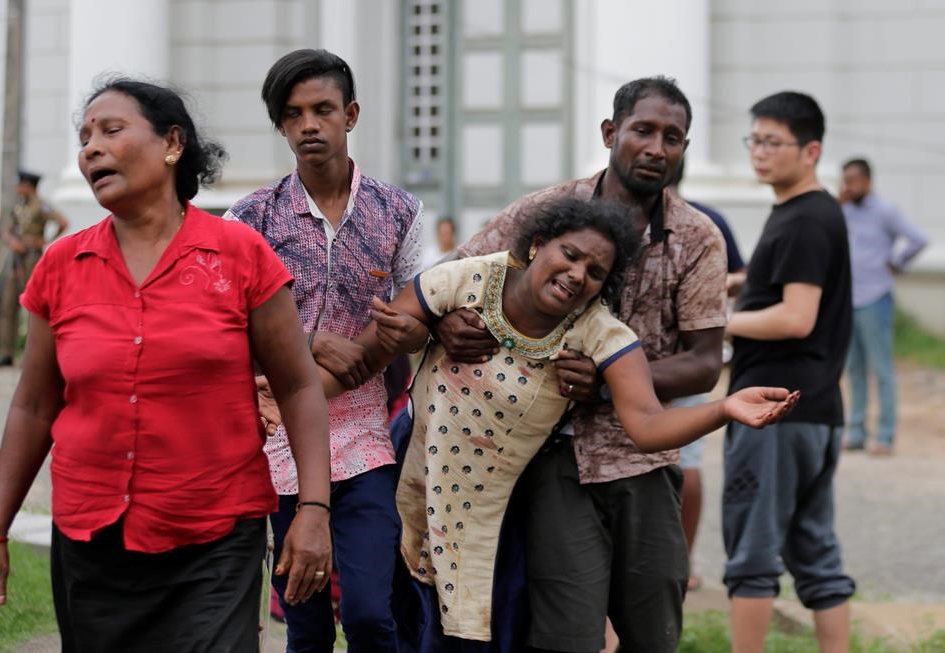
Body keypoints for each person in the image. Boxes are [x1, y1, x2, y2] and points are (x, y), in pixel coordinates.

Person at [261, 197, 797, 650]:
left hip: (490, 526)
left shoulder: (598, 333)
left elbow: (648, 425)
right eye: (570, 254)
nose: (577, 275)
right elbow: (365, 360)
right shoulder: (466, 280)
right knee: (381, 621)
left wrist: (725, 409)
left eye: (596, 272)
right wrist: (276, 397)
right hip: (412, 492)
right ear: (538, 244)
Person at [0, 79, 333, 652]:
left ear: (172, 144)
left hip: (214, 537)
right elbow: (34, 406)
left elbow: (298, 385)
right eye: (84, 137)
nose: (90, 148)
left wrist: (313, 507)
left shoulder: (239, 255)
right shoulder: (61, 265)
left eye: (111, 131)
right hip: (91, 543)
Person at [435, 76, 729, 653]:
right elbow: (456, 271)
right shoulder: (550, 211)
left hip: (643, 459)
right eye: (643, 130)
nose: (656, 148)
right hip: (549, 456)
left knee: (654, 632)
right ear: (610, 132)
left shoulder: (698, 238)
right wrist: (447, 321)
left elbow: (702, 363)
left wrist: (610, 385)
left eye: (673, 137)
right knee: (565, 635)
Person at [225, 49, 425, 652]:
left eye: (323, 109)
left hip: (368, 440)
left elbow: (419, 314)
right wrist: (306, 342)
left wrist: (384, 340)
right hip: (279, 441)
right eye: (293, 114)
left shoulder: (399, 211)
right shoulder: (251, 218)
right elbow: (225, 321)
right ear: (281, 126)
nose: (309, 124)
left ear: (351, 114)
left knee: (370, 612)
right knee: (305, 623)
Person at [725, 91, 856, 653]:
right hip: (817, 412)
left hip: (773, 411)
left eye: (772, 142)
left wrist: (723, 321)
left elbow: (797, 316)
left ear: (811, 151)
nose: (759, 152)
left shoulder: (805, 220)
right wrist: (743, 282)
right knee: (817, 556)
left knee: (753, 557)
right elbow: (785, 285)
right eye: (754, 140)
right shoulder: (809, 213)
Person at [668, 160, 747, 592]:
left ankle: (683, 560)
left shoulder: (706, 222)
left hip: (684, 361)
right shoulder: (709, 219)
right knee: (685, 462)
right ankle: (681, 563)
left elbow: (743, 275)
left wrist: (716, 285)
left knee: (687, 463)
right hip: (681, 361)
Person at [839, 158, 929, 455]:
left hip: (875, 298)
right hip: (849, 298)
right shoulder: (845, 209)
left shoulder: (885, 211)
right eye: (845, 180)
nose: (849, 186)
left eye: (853, 180)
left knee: (882, 369)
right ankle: (855, 432)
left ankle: (886, 436)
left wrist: (898, 262)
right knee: (854, 369)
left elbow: (919, 239)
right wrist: (837, 205)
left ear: (867, 180)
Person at [0, 169, 69, 366]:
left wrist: (45, 241)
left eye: (21, 185)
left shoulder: (41, 206)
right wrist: (11, 242)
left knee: (34, 305)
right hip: (15, 259)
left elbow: (62, 222)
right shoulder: (18, 206)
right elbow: (7, 231)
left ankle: (32, 355)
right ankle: (5, 352)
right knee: (8, 304)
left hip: (32, 258)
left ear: (29, 186)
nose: (18, 189)